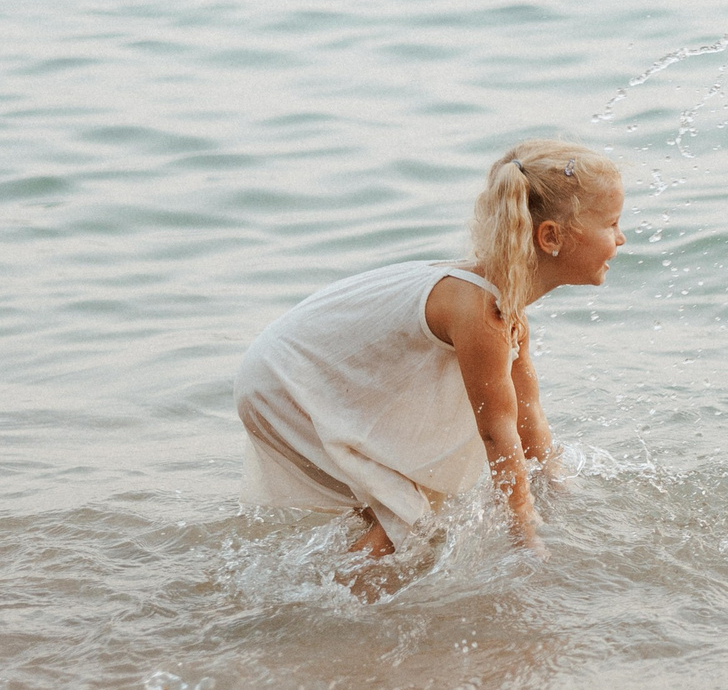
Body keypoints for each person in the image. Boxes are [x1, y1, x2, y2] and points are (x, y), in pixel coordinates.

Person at [235, 139, 625, 591]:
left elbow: (526, 413)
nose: (621, 238)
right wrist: (525, 535)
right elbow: (497, 432)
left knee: (406, 511)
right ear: (552, 238)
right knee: (413, 526)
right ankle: (308, 609)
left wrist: (555, 488)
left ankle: (321, 596)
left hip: (301, 374)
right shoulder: (481, 310)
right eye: (612, 224)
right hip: (287, 382)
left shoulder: (505, 305)